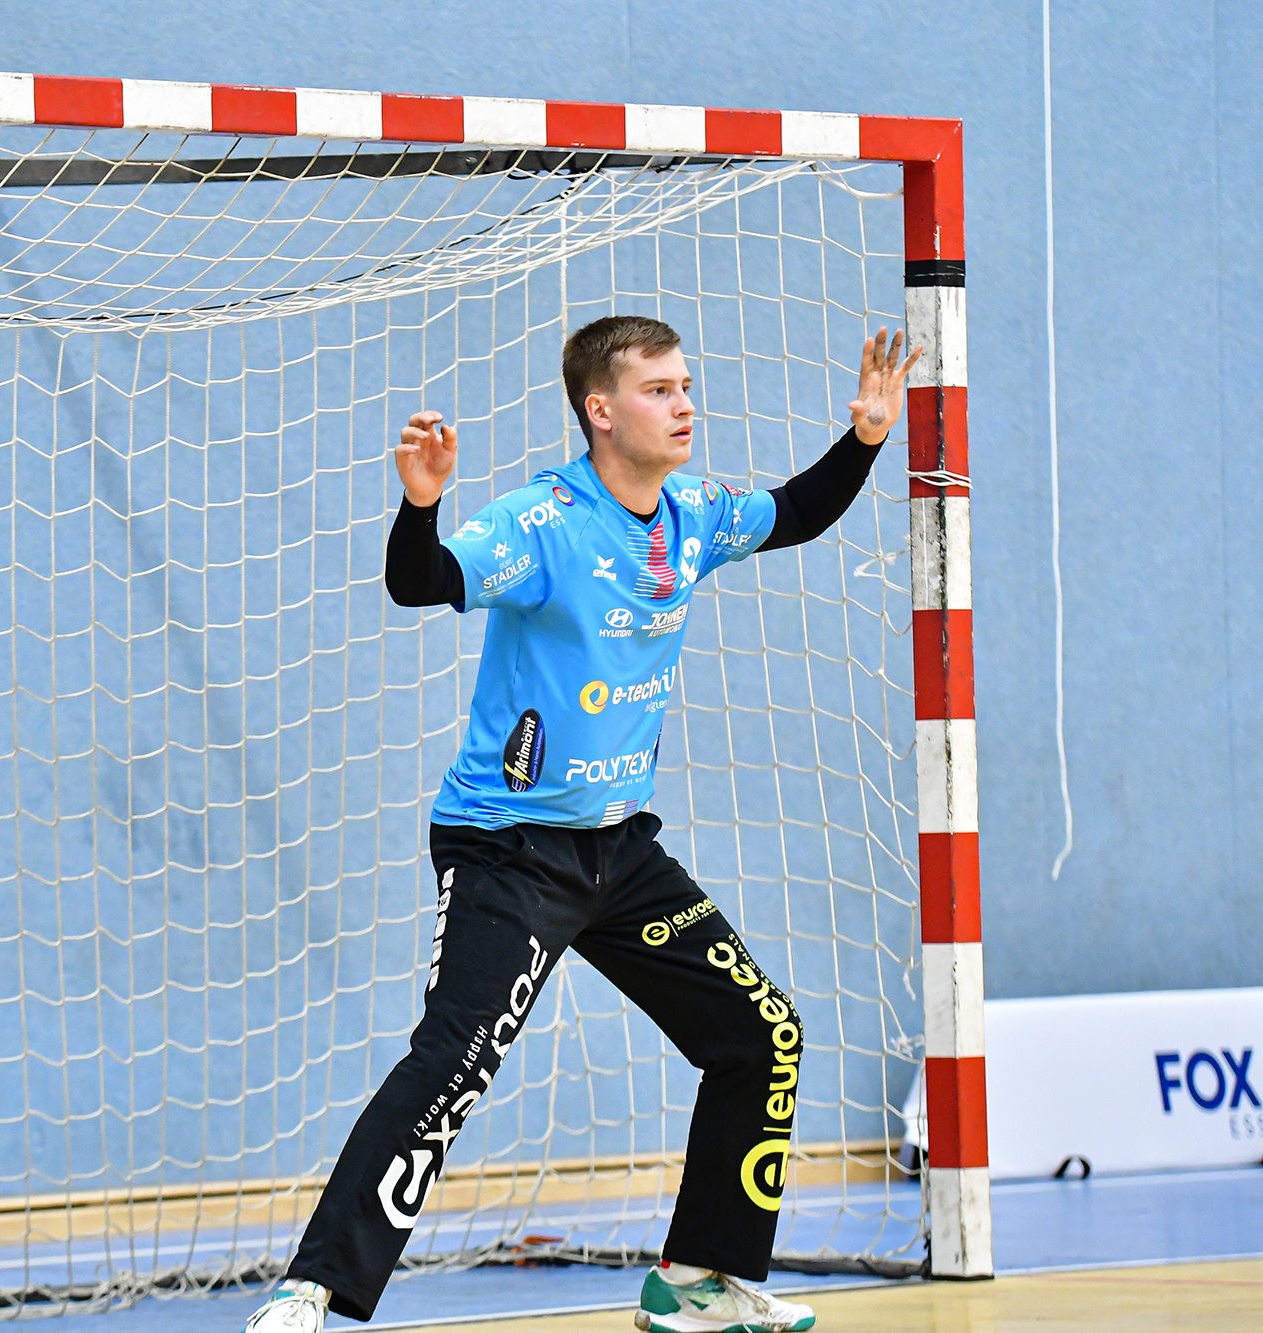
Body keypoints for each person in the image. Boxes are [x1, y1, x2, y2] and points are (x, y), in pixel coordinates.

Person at [243, 315, 920, 1333]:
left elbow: (793, 513)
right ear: (600, 411)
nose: (683, 402)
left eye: (685, 383)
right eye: (658, 389)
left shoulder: (691, 510)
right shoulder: (542, 521)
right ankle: (311, 1289)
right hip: (508, 847)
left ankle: (698, 1278)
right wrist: (418, 508)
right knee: (453, 1058)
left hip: (616, 849)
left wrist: (865, 435)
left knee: (759, 1033)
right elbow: (417, 583)